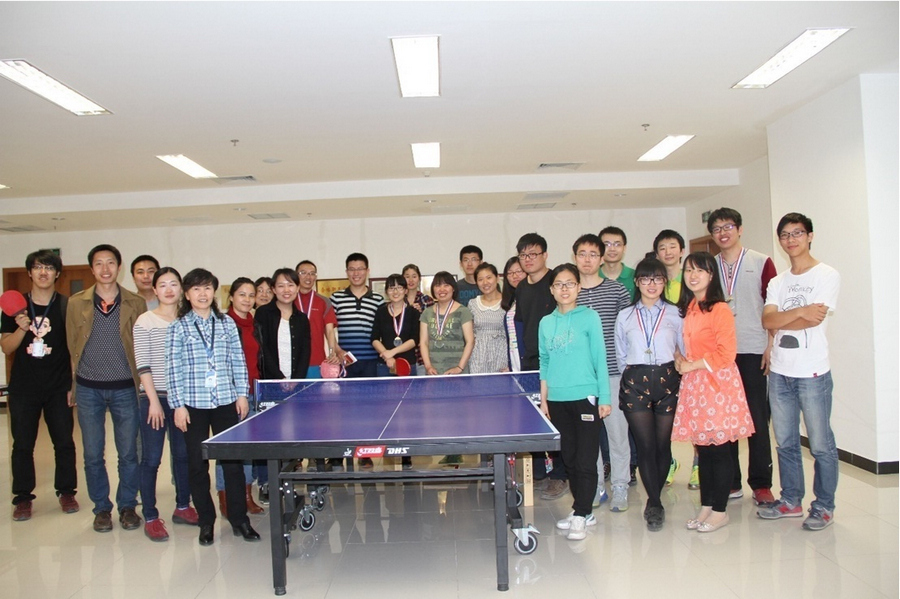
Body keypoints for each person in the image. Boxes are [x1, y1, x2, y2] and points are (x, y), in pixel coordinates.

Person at [758, 213, 840, 531]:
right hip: (780, 372)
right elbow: (768, 321)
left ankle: (824, 506)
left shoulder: (826, 275)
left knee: (820, 444)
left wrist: (786, 317)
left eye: (797, 233)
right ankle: (791, 500)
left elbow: (813, 320)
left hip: (813, 372)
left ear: (810, 236)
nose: (790, 240)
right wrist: (801, 311)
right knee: (786, 442)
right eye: (785, 235)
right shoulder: (778, 282)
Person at [167, 268, 259, 546]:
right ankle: (206, 521)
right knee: (197, 464)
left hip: (225, 401)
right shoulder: (178, 327)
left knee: (232, 463)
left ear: (215, 292)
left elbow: (237, 361)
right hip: (192, 404)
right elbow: (173, 369)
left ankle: (239, 519)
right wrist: (178, 405)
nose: (203, 294)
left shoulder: (226, 323)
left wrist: (241, 394)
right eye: (196, 289)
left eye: (207, 288)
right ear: (187, 294)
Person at [66, 244, 147, 533]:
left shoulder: (135, 302)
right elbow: (71, 346)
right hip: (88, 388)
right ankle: (101, 508)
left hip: (125, 388)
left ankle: (127, 506)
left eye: (110, 262)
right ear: (92, 269)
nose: (105, 269)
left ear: (119, 267)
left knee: (128, 452)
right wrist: (72, 385)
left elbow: (141, 346)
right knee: (92, 454)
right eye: (99, 263)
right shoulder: (76, 303)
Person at [672, 252, 754, 533]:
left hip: (717, 385)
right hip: (696, 385)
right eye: (688, 270)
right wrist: (679, 360)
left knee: (719, 451)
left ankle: (720, 511)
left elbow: (727, 353)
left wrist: (692, 365)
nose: (693, 275)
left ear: (711, 275)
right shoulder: (690, 307)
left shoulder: (719, 309)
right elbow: (682, 345)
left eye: (700, 270)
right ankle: (706, 506)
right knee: (704, 451)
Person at [707, 207, 778, 506]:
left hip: (752, 349)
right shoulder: (708, 266)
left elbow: (773, 306)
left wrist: (770, 345)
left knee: (756, 418)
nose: (723, 233)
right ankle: (731, 482)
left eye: (728, 226)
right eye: (717, 229)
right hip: (719, 354)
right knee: (725, 419)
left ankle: (761, 484)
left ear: (739, 229)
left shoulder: (761, 262)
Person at [1, 249, 78, 521]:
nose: (43, 272)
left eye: (49, 267)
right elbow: (6, 347)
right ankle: (22, 498)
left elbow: (74, 349)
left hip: (58, 386)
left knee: (64, 442)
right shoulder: (14, 306)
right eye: (37, 267)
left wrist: (73, 385)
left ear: (57, 273)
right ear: (29, 272)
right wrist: (21, 328)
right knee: (22, 445)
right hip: (24, 388)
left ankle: (66, 492)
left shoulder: (67, 306)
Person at [540, 263, 610, 541]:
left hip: (585, 396)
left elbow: (600, 358)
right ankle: (583, 510)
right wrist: (544, 399)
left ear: (578, 287)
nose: (564, 289)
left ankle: (582, 512)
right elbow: (544, 362)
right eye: (559, 284)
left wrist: (604, 397)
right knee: (569, 458)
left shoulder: (590, 317)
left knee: (585, 459)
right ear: (551, 290)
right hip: (557, 398)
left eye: (570, 283)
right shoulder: (546, 323)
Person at [615, 258, 683, 531]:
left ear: (665, 282)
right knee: (645, 445)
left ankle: (655, 497)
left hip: (668, 380)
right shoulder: (625, 315)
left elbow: (683, 349)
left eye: (657, 278)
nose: (651, 284)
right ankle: (654, 503)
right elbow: (621, 354)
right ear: (637, 282)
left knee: (662, 444)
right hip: (636, 383)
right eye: (645, 279)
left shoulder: (676, 313)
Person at [133, 267, 198, 541]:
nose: (169, 289)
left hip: (182, 400)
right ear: (155, 290)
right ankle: (150, 515)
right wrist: (153, 402)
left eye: (174, 284)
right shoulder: (145, 321)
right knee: (151, 458)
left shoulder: (189, 320)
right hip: (155, 399)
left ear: (181, 288)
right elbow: (143, 365)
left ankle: (183, 506)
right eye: (162, 285)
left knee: (183, 455)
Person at [573, 234, 631, 512]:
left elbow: (627, 332)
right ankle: (596, 486)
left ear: (601, 258)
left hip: (613, 374)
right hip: (581, 377)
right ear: (575, 257)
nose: (587, 259)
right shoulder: (569, 292)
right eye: (582, 254)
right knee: (588, 438)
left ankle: (620, 485)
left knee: (618, 434)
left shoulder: (618, 290)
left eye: (593, 254)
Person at [514, 232, 567, 500]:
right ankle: (538, 474)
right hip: (530, 363)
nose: (528, 259)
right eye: (523, 255)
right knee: (534, 421)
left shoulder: (555, 281)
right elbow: (522, 323)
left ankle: (560, 475)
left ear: (545, 255)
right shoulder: (522, 287)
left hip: (556, 361)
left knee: (557, 420)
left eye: (533, 254)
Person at [215, 278, 264, 511]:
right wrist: (235, 392)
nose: (247, 299)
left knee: (247, 448)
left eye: (251, 295)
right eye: (242, 294)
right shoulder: (222, 323)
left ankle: (245, 496)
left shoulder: (255, 324)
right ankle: (225, 498)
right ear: (231, 297)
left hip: (254, 392)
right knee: (227, 448)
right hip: (231, 395)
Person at [419, 272, 474, 465]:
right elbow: (423, 342)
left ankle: (456, 452)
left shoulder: (463, 311)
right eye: (437, 285)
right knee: (441, 412)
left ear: (453, 288)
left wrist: (460, 367)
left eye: (446, 285)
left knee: (457, 412)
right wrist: (428, 366)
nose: (441, 289)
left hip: (457, 370)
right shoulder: (427, 313)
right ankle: (449, 451)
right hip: (435, 371)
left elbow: (470, 341)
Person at [653, 229, 694, 487]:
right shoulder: (653, 282)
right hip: (664, 360)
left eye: (672, 246)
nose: (667, 252)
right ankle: (668, 462)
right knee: (663, 418)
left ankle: (698, 465)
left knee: (695, 413)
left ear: (681, 251)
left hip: (691, 356)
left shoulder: (690, 279)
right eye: (662, 248)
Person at [331, 253, 384, 378]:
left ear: (367, 271)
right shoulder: (336, 298)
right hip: (344, 362)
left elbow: (382, 331)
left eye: (360, 269)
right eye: (352, 269)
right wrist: (338, 350)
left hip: (372, 362)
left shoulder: (378, 300)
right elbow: (328, 331)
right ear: (346, 272)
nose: (356, 273)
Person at [294, 260, 339, 379]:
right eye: (303, 273)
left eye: (312, 273)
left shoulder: (324, 301)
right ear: (296, 275)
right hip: (293, 361)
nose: (308, 277)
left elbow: (330, 331)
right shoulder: (289, 300)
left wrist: (332, 353)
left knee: (315, 391)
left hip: (316, 361)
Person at [372, 273, 420, 378]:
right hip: (384, 365)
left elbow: (414, 340)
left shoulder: (414, 313)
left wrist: (392, 352)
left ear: (406, 290)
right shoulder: (380, 312)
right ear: (386, 292)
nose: (395, 292)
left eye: (399, 288)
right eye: (391, 288)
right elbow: (374, 338)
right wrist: (387, 356)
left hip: (408, 364)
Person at [467, 263, 509, 374]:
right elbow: (469, 334)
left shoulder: (508, 302)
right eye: (480, 279)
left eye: (489, 277)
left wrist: (512, 363)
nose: (485, 283)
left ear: (497, 278)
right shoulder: (472, 304)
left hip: (502, 354)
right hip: (478, 355)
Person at [402, 264, 434, 374]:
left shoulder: (427, 300)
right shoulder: (398, 301)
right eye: (407, 276)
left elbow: (434, 326)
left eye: (414, 276)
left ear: (419, 279)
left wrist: (421, 314)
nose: (411, 280)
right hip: (403, 352)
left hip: (422, 354)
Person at [501, 257, 526, 373]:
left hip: (528, 358)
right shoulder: (512, 301)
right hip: (515, 356)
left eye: (518, 271)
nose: (514, 276)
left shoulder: (533, 298)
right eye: (510, 273)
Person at [599, 226, 636, 299]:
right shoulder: (592, 276)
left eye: (617, 244)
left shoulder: (635, 276)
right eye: (607, 244)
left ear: (624, 248)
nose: (612, 249)